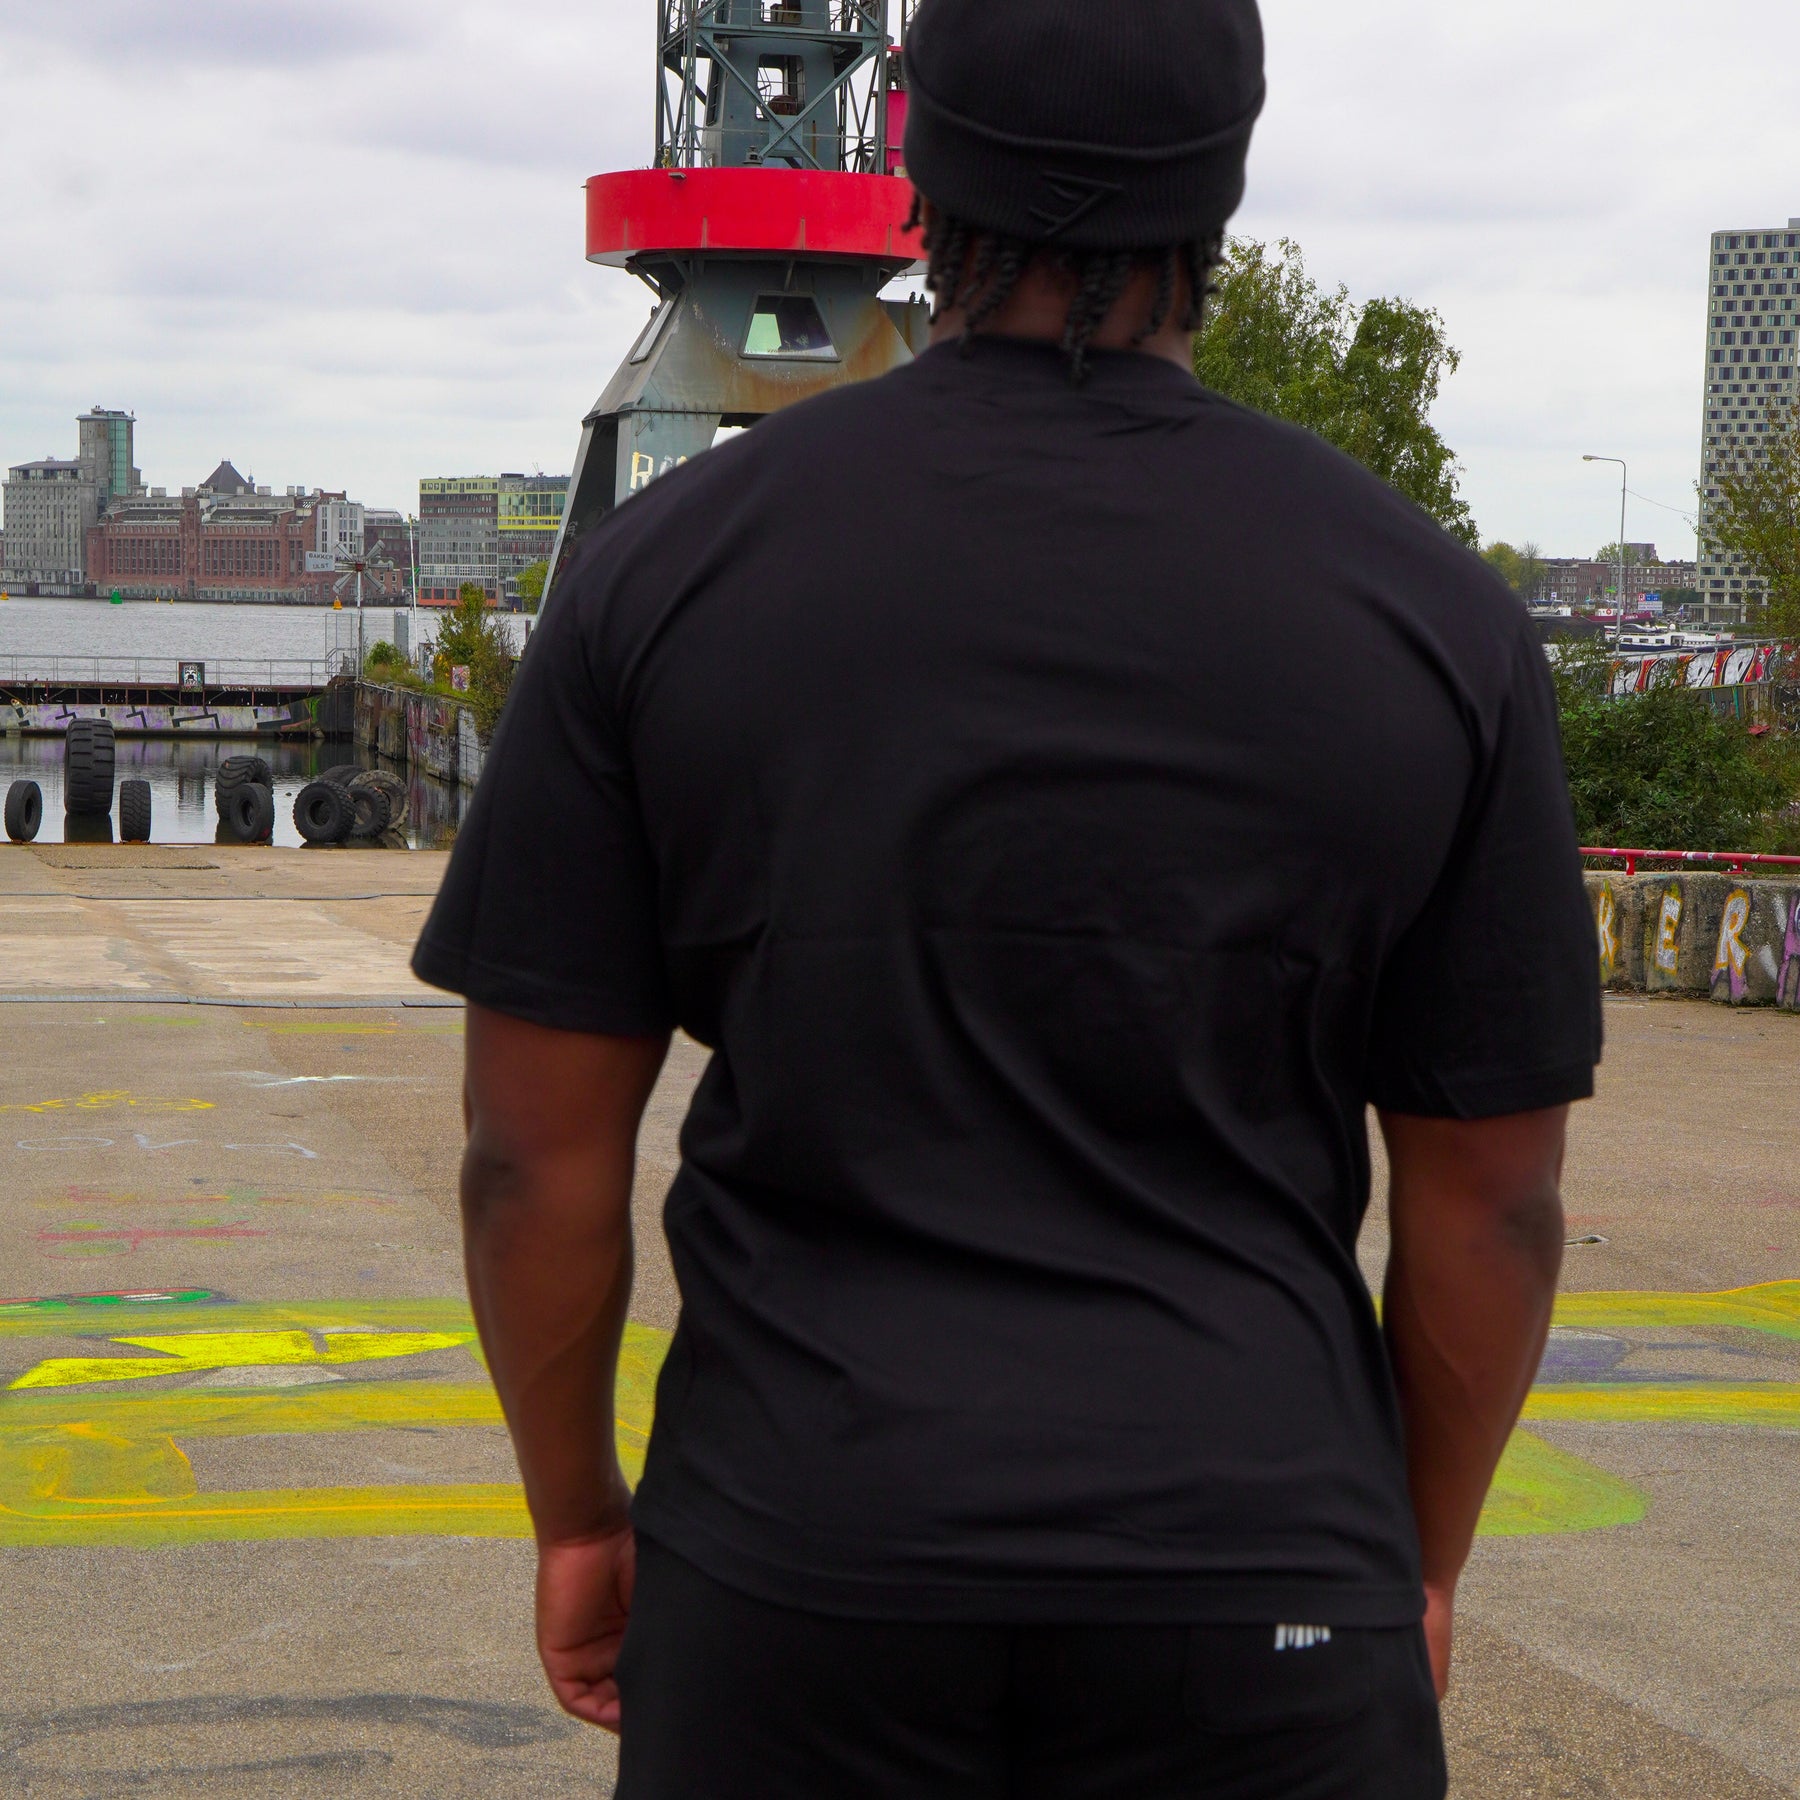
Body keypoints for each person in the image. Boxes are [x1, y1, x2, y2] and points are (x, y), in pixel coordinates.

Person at [413, 0, 1601, 1791]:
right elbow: (1495, 1204)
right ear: (1224, 184)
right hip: (1264, 1576)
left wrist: (581, 1519)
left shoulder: (664, 576)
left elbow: (532, 1154)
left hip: (798, 1566)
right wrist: (1407, 1562)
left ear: (919, 159)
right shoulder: (1435, 619)